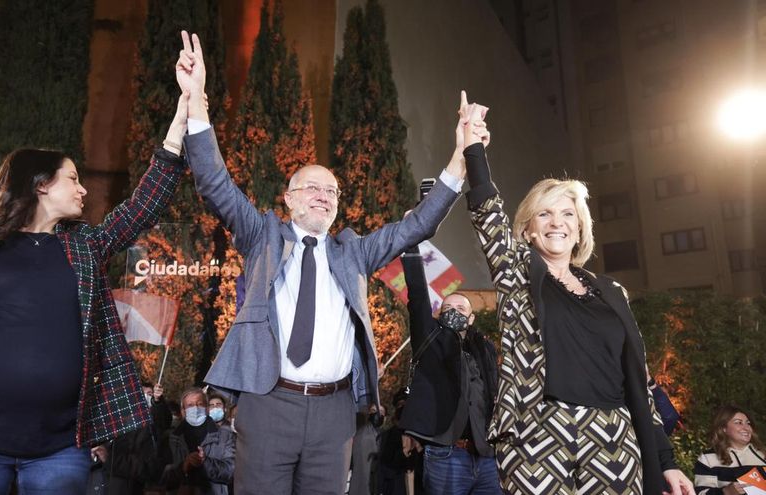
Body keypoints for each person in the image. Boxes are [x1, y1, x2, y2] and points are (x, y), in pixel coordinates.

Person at [0, 51, 191, 495]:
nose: (84, 187)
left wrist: (181, 120)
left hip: (61, 447)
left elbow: (143, 208)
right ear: (40, 184)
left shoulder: (83, 247)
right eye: (73, 178)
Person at [174, 31, 464, 495]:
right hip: (268, 402)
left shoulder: (355, 251)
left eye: (331, 190)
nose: (324, 196)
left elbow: (417, 227)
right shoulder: (261, 234)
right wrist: (197, 102)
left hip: (334, 413)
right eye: (313, 187)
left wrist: (460, 158)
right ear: (288, 199)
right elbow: (214, 183)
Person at [460, 96, 695, 494]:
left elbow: (637, 379)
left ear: (580, 228)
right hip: (537, 435)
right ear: (528, 230)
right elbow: (488, 213)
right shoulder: (517, 272)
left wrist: (665, 460)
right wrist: (473, 150)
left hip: (614, 439)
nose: (557, 223)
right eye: (545, 214)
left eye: (568, 214)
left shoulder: (610, 292)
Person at [399, 241, 500, 494]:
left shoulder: (485, 349)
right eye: (448, 308)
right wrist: (411, 247)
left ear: (471, 317)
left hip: (487, 456)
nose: (453, 312)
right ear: (439, 313)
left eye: (460, 309)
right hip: (447, 455)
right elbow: (419, 295)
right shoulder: (430, 337)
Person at [161, 387, 235, 495]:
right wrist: (183, 466)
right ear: (183, 411)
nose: (195, 408)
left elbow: (231, 471)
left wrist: (205, 462)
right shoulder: (171, 439)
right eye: (190, 405)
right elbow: (160, 478)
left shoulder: (226, 436)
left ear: (206, 408)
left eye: (200, 404)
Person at [694, 405, 766, 495]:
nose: (746, 428)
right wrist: (726, 492)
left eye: (748, 423)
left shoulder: (763, 454)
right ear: (724, 428)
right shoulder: (708, 458)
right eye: (738, 423)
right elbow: (701, 493)